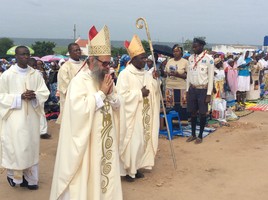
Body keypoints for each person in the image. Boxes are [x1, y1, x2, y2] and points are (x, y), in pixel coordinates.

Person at [50, 25, 123, 200]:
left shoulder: (105, 79)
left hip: (105, 140)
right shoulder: (79, 82)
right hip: (87, 143)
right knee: (86, 177)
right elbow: (77, 111)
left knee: (104, 175)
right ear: (92, 60)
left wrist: (111, 92)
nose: (108, 67)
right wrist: (101, 94)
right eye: (104, 63)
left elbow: (118, 105)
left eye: (109, 63)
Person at [0, 46, 50, 190]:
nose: (26, 57)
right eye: (22, 54)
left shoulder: (35, 74)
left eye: (27, 54)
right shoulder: (7, 75)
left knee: (31, 147)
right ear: (16, 56)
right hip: (14, 117)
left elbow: (44, 92)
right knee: (16, 147)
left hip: (31, 119)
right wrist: (19, 97)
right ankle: (14, 176)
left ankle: (31, 179)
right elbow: (1, 96)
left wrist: (35, 95)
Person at [116, 34, 160, 182]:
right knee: (133, 143)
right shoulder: (125, 75)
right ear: (133, 59)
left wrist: (155, 79)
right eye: (142, 58)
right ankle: (128, 171)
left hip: (144, 116)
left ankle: (136, 167)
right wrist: (139, 94)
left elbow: (153, 90)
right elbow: (121, 96)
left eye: (145, 58)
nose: (145, 60)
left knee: (142, 142)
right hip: (131, 116)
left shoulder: (146, 73)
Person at [186, 38, 214, 144]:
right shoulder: (190, 58)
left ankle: (200, 136)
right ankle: (193, 134)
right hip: (192, 89)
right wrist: (187, 89)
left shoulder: (208, 59)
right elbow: (188, 75)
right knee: (192, 113)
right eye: (193, 46)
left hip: (203, 90)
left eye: (196, 46)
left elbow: (211, 78)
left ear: (202, 46)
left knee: (202, 113)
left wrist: (208, 94)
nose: (194, 48)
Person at [56, 43, 82, 124]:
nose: (78, 52)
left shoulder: (85, 65)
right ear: (69, 53)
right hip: (72, 101)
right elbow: (65, 87)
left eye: (79, 50)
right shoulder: (65, 68)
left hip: (84, 101)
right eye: (75, 50)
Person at [163, 44, 188, 120]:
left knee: (181, 106)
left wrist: (178, 74)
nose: (175, 53)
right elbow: (165, 72)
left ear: (181, 52)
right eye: (174, 51)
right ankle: (172, 122)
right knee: (170, 106)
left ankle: (182, 121)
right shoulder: (170, 61)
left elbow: (187, 76)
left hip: (181, 87)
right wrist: (168, 73)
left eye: (177, 51)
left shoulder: (185, 62)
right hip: (170, 86)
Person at [28, 58, 51, 139]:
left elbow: (43, 84)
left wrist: (37, 94)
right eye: (32, 66)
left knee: (41, 114)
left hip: (37, 97)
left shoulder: (38, 74)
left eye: (35, 66)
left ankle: (43, 131)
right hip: (26, 98)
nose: (34, 68)